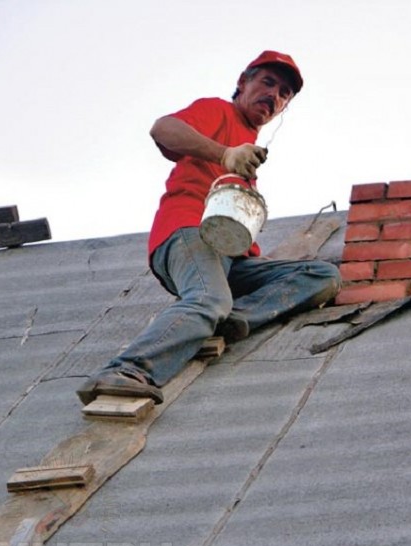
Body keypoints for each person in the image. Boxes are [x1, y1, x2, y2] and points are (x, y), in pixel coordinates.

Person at [77, 50, 341, 405]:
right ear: (242, 82)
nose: (274, 95)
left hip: (233, 258)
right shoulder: (218, 111)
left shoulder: (248, 150)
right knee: (207, 298)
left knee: (322, 275)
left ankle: (229, 319)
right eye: (267, 82)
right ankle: (127, 369)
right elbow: (163, 129)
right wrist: (224, 154)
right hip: (190, 233)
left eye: (283, 94)